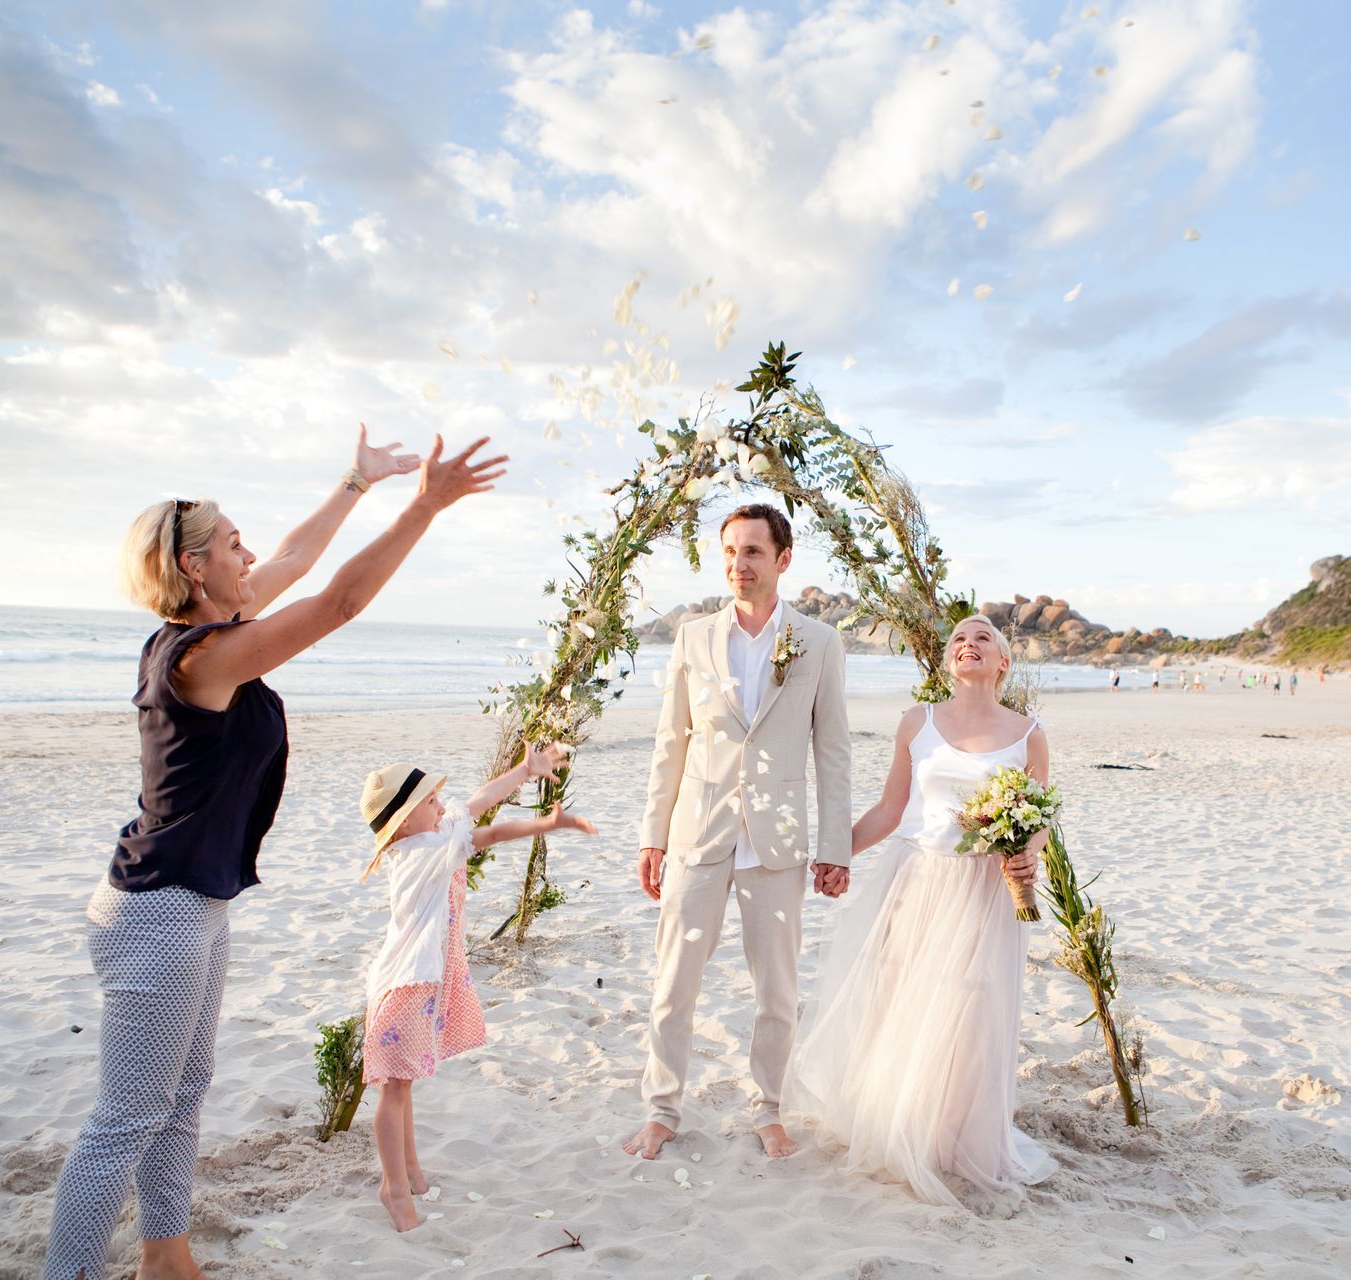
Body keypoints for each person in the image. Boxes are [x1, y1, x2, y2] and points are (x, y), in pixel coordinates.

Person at [43, 429, 508, 1280]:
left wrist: (355, 482)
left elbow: (296, 556)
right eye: (230, 545)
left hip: (194, 906)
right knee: (125, 1121)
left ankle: (168, 1261)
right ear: (193, 569)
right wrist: (426, 506)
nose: (248, 554)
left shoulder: (217, 627)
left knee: (182, 1099)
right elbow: (337, 602)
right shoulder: (204, 659)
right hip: (157, 913)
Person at [786, 614, 1057, 1209]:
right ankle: (900, 1121)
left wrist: (1026, 854)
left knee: (970, 1009)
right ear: (946, 662)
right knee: (902, 997)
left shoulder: (1028, 733)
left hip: (985, 890)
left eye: (983, 637)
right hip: (918, 878)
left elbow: (1040, 820)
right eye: (959, 639)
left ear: (1003, 663)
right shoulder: (918, 722)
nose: (969, 644)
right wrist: (834, 855)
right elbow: (889, 809)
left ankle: (951, 1139)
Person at [624, 504, 851, 1161]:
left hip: (777, 841)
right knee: (673, 984)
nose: (738, 564)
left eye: (753, 551)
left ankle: (769, 1109)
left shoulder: (820, 643)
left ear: (783, 560)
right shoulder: (693, 639)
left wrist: (834, 847)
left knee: (777, 989)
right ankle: (662, 1109)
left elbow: (832, 751)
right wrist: (653, 835)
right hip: (698, 833)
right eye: (729, 551)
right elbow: (671, 744)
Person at [359, 748, 595, 1231]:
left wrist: (534, 797)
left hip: (419, 979)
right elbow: (483, 822)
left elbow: (482, 816)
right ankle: (393, 1187)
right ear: (404, 823)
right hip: (404, 983)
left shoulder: (432, 838)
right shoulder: (419, 853)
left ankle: (411, 1172)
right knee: (395, 1089)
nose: (441, 806)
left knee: (402, 1086)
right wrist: (535, 801)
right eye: (430, 802)